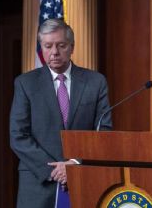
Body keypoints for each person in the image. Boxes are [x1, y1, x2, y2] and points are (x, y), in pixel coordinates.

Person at [10, 19, 112, 207]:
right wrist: (55, 170)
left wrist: (75, 164)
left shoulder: (95, 82)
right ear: (41, 48)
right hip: (37, 184)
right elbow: (18, 136)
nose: (54, 52)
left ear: (71, 47)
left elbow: (103, 133)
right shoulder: (25, 83)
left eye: (61, 45)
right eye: (48, 46)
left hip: (84, 181)